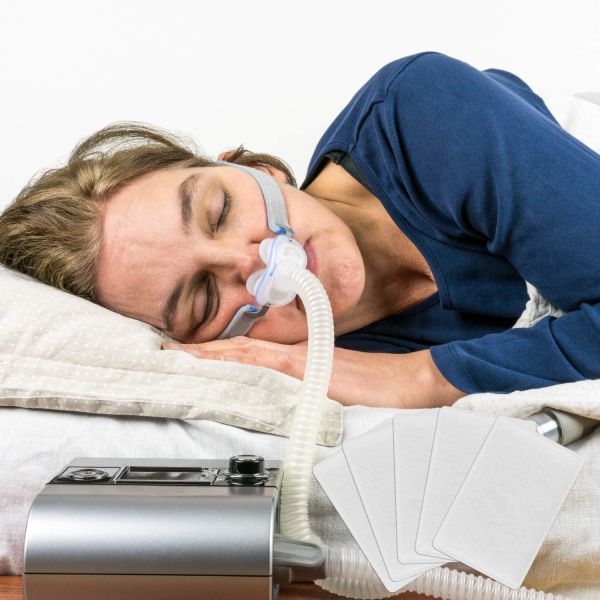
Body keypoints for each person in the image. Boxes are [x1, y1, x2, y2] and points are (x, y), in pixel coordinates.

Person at [1, 51, 599, 410]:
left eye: (219, 211)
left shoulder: (423, 113)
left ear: (257, 169)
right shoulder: (315, 372)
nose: (253, 260)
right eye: (205, 297)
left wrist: (418, 377)